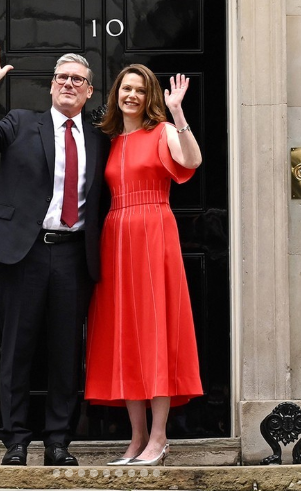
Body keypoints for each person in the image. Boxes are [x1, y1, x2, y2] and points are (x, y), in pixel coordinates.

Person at [0, 40, 110, 466]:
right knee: (16, 348)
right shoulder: (20, 123)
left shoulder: (101, 138)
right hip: (23, 253)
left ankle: (59, 441)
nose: (68, 84)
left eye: (77, 80)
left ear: (88, 92)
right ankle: (15, 441)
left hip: (72, 255)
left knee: (66, 352)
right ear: (51, 87)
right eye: (61, 78)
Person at [84, 64, 204, 466]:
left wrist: (178, 113)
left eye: (139, 89)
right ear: (116, 93)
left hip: (154, 230)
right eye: (125, 88)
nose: (131, 95)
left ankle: (159, 437)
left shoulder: (162, 131)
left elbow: (193, 160)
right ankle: (136, 440)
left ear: (150, 95)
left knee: (156, 331)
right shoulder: (111, 140)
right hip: (117, 235)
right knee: (126, 333)